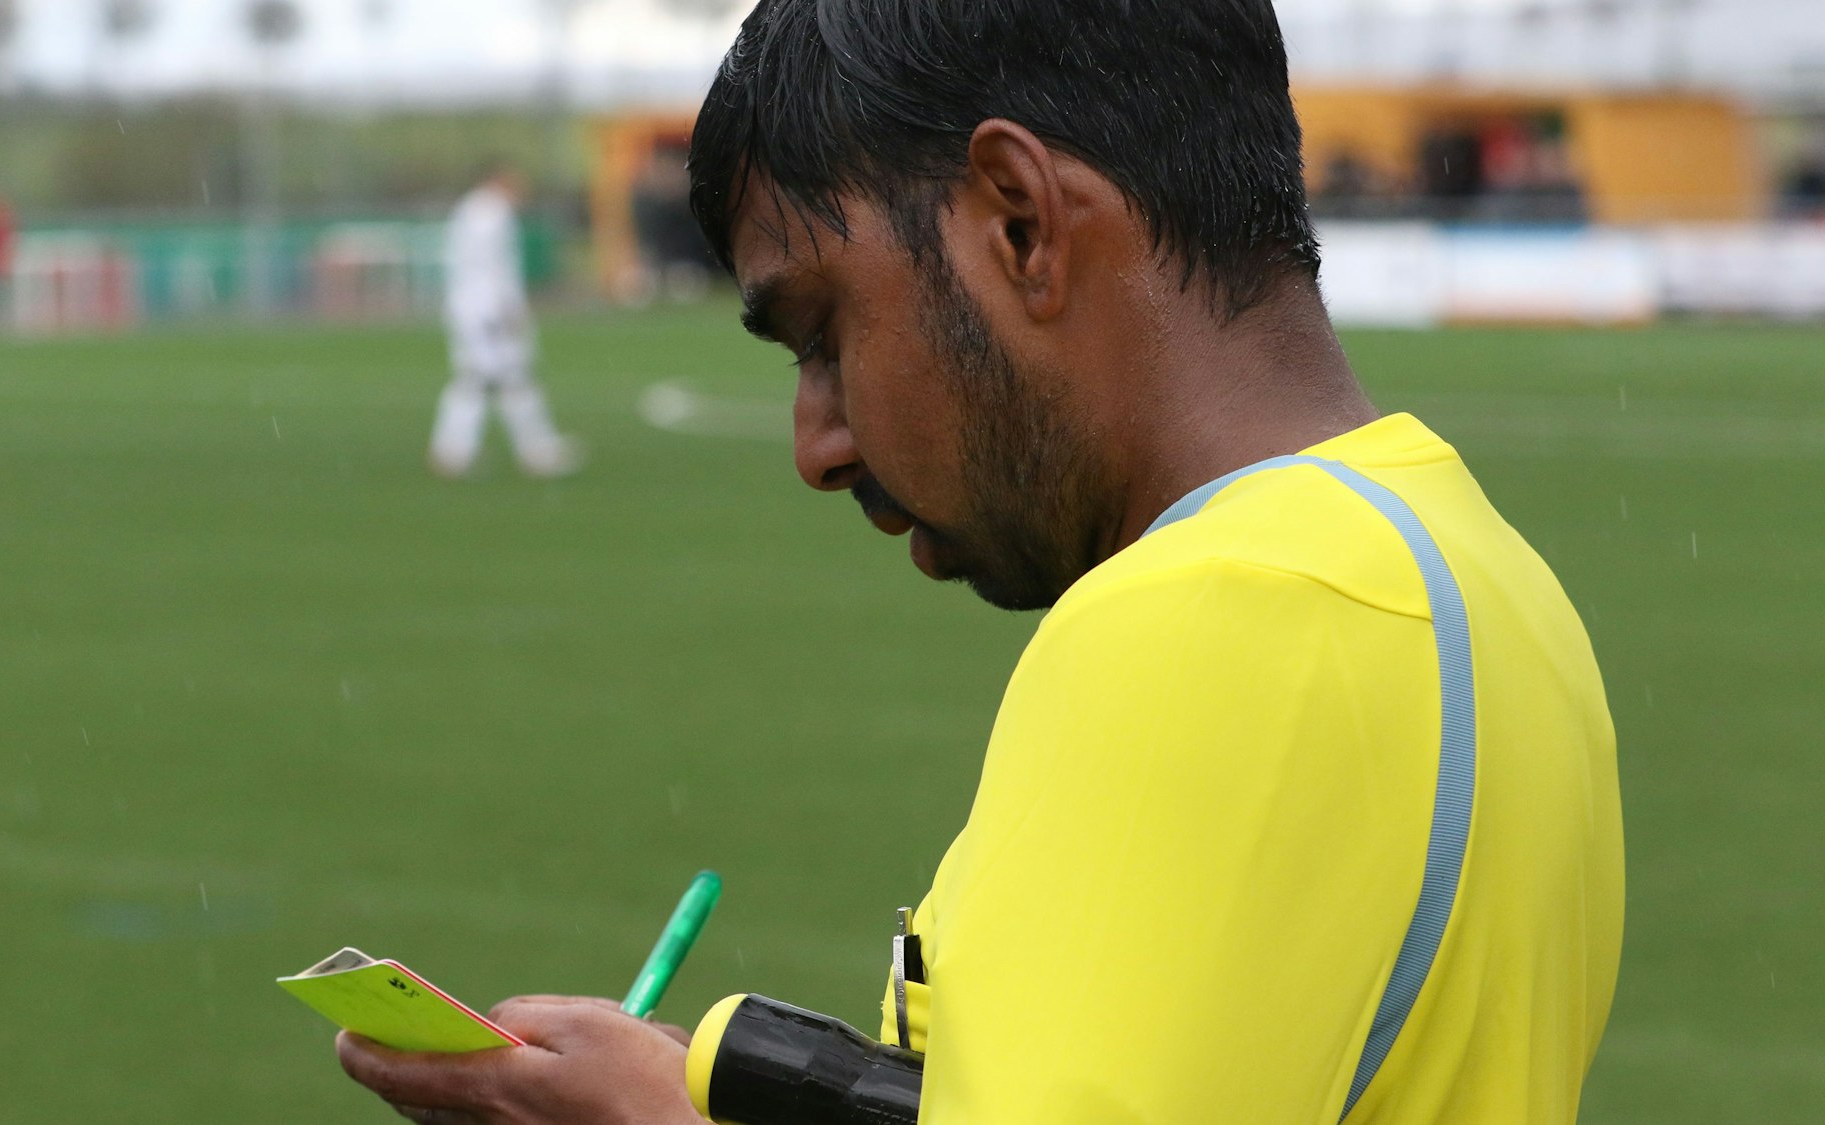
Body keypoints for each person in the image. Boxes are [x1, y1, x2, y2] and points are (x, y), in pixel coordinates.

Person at [336, 2, 1624, 1123]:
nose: (817, 445)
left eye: (822, 332)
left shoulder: (1214, 618)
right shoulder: (1473, 572)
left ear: (1018, 225)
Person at [428, 164, 582, 480]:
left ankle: (457, 450)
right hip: (486, 310)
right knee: (500, 376)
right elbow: (493, 267)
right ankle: (531, 450)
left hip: (471, 306)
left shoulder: (472, 209)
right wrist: (505, 308)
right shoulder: (491, 214)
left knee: (488, 378)